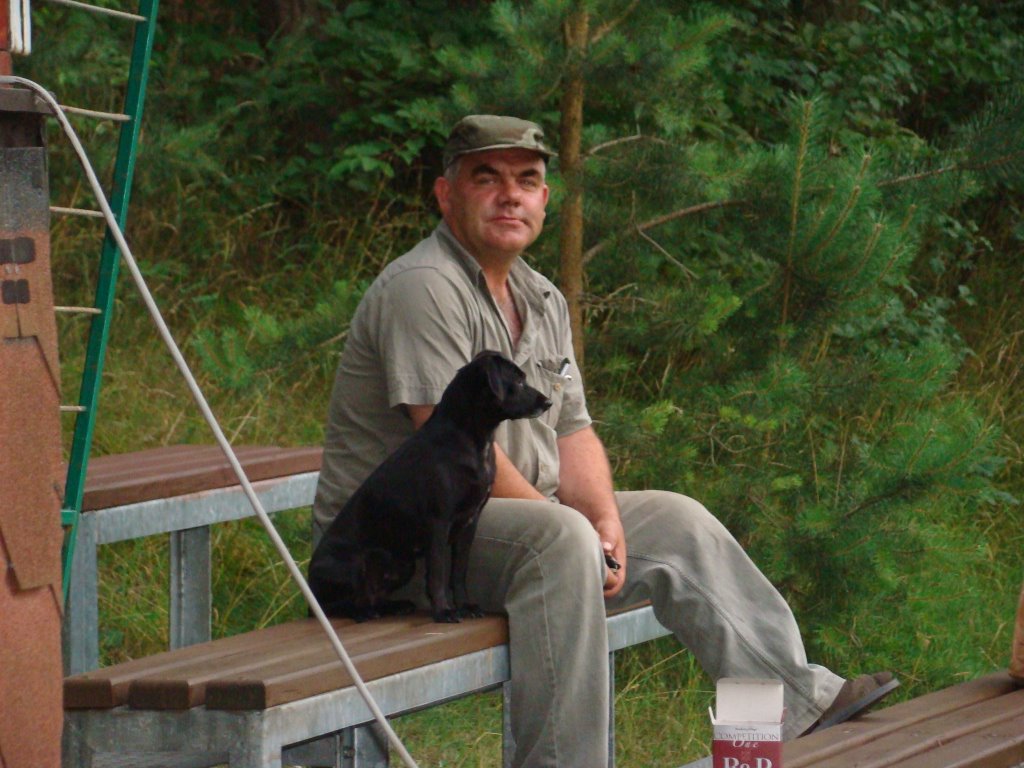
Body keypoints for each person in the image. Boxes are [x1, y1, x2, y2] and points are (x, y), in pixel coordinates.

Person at [312, 114, 897, 767]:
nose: (510, 196)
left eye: (526, 181)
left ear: (544, 199)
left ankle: (792, 711)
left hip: (505, 524)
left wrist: (606, 520)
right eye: (487, 178)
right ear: (446, 195)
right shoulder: (424, 287)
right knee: (561, 542)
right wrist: (574, 530)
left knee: (677, 523)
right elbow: (454, 449)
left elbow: (573, 428)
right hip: (397, 550)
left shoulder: (542, 298)